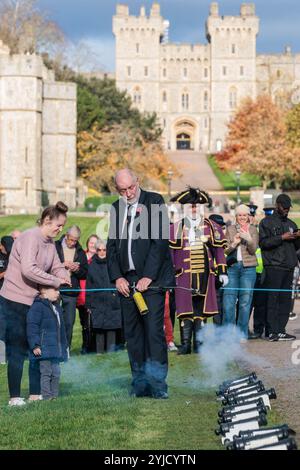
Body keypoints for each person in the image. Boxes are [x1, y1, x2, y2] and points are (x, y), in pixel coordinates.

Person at [107, 169, 173, 399]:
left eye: (131, 188)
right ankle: (140, 384)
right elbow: (112, 247)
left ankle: (157, 384)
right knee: (133, 335)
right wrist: (117, 277)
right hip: (127, 281)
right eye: (122, 190)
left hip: (151, 282)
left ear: (138, 182)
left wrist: (149, 276)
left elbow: (160, 243)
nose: (128, 193)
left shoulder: (154, 201)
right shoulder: (117, 209)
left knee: (153, 333)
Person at [0, 202, 71, 406]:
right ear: (47, 221)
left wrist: (64, 276)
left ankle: (34, 392)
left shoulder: (50, 242)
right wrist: (55, 281)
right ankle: (14, 396)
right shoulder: (30, 237)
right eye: (58, 225)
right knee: (17, 348)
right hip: (13, 301)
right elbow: (28, 270)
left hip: (33, 301)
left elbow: (56, 266)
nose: (60, 230)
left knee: (35, 346)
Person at [169, 188, 228, 354]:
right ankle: (186, 345)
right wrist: (171, 275)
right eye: (191, 206)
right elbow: (170, 254)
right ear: (185, 208)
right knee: (184, 311)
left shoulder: (212, 227)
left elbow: (219, 252)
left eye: (197, 206)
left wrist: (222, 271)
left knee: (201, 311)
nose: (194, 209)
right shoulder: (175, 228)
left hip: (205, 276)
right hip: (183, 277)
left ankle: (200, 345)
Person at [259, 193, 300, 341]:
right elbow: (263, 243)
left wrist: (298, 237)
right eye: (284, 207)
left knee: (285, 301)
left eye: (289, 207)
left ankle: (281, 330)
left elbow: (297, 249)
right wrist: (282, 237)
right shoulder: (266, 222)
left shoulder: (291, 224)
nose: (287, 210)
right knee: (272, 299)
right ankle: (271, 331)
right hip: (274, 267)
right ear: (278, 205)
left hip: (289, 267)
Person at [223, 204, 259, 340]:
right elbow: (225, 250)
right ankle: (227, 334)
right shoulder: (230, 229)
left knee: (245, 302)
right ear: (236, 216)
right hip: (232, 268)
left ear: (248, 216)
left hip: (248, 269)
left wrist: (249, 239)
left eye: (245, 215)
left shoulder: (254, 230)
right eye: (240, 215)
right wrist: (234, 243)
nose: (242, 217)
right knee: (229, 301)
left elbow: (253, 250)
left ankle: (241, 333)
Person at [27, 286, 68, 400]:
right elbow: (32, 326)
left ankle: (54, 396)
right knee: (46, 373)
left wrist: (64, 348)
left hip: (56, 349)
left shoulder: (57, 307)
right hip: (44, 348)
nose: (58, 292)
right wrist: (35, 345)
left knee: (56, 373)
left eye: (58, 290)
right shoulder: (37, 306)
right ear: (44, 292)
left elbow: (62, 330)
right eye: (55, 290)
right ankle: (46, 396)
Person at [86, 239, 122, 354]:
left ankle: (111, 352)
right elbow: (89, 286)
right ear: (96, 251)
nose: (102, 252)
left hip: (112, 299)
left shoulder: (114, 263)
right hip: (97, 301)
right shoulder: (92, 266)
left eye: (104, 250)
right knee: (99, 328)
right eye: (99, 250)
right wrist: (88, 304)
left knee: (111, 327)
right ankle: (99, 352)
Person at [55, 226, 88, 349]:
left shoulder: (80, 251)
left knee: (69, 323)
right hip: (55, 289)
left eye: (75, 240)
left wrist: (77, 269)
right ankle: (53, 350)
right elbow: (46, 265)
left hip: (71, 291)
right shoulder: (55, 246)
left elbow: (85, 273)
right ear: (66, 235)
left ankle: (65, 350)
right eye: (71, 240)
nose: (72, 243)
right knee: (54, 322)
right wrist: (61, 265)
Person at [76, 234, 99, 354]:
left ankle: (93, 347)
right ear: (87, 243)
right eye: (91, 242)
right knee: (84, 323)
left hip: (95, 295)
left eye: (95, 243)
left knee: (95, 322)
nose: (93, 245)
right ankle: (85, 347)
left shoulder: (99, 258)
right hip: (82, 294)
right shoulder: (81, 256)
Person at [0, 236, 14, 364]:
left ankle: (12, 355)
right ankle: (2, 357)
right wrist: (7, 272)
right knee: (2, 326)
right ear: (1, 246)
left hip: (12, 295)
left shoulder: (13, 255)